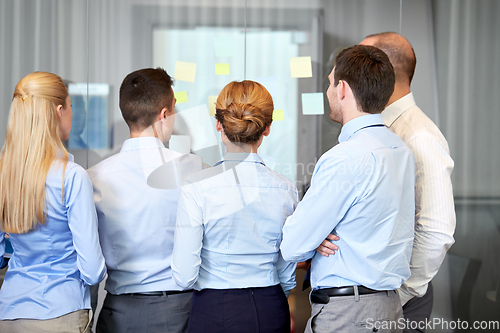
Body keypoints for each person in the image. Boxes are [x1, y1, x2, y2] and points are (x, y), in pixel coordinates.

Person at [280, 45, 416, 333]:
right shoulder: (401, 150)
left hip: (349, 315)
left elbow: (293, 245)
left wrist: (312, 237)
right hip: (388, 308)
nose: (329, 90)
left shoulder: (344, 158)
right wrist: (315, 237)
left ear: (341, 88)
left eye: (330, 83)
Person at [172, 80, 297, 333]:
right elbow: (287, 269)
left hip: (214, 307)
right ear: (268, 129)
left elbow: (184, 276)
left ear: (219, 124)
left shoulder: (196, 186)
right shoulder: (286, 188)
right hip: (269, 306)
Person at [88, 68, 202, 333]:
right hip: (180, 311)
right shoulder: (193, 168)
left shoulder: (93, 177)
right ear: (164, 114)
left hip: (118, 313)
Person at [360, 32, 456, 331]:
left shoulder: (418, 136)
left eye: (361, 62)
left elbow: (436, 230)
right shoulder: (383, 127)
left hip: (400, 301)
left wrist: (398, 293)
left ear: (382, 68)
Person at [0, 71, 106, 332]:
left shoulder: (4, 174)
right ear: (59, 110)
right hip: (61, 312)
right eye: (71, 106)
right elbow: (92, 271)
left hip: (10, 313)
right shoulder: (71, 177)